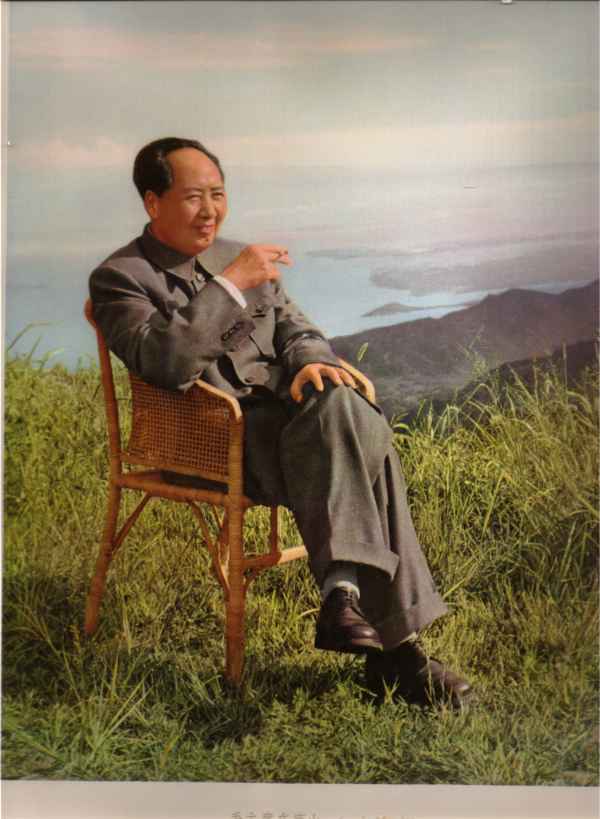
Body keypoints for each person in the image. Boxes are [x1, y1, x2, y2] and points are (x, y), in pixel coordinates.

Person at [89, 137, 472, 708]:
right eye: (193, 197)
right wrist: (227, 287)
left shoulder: (241, 258)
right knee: (362, 436)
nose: (210, 211)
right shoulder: (120, 278)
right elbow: (164, 363)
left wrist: (311, 361)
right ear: (152, 202)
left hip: (294, 426)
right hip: (211, 437)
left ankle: (345, 599)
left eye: (218, 195)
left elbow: (297, 328)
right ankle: (396, 650)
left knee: (343, 403)